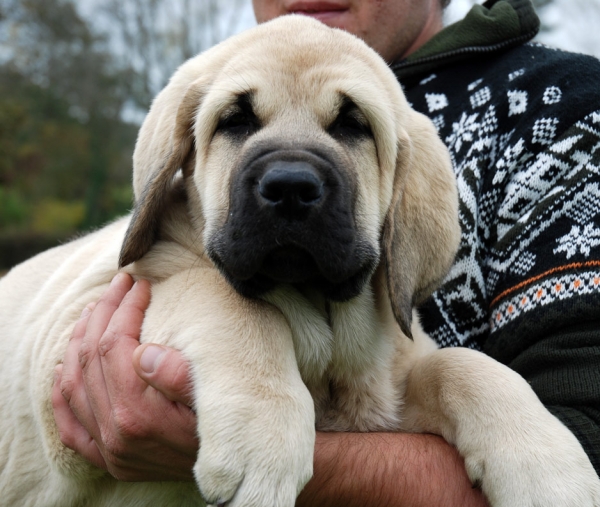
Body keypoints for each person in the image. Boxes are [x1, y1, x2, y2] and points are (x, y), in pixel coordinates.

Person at [53, 0, 600, 505]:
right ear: (180, 164)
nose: (289, 176)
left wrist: (310, 458)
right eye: (238, 121)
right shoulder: (220, 82)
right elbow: (68, 360)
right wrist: (236, 355)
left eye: (351, 124)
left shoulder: (561, 110)